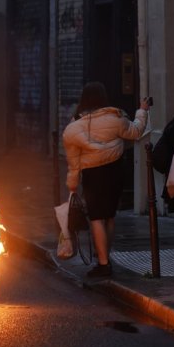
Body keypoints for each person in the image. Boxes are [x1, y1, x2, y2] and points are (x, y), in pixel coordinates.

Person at [63, 82, 150, 277]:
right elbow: (136, 131)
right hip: (114, 171)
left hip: (93, 175)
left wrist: (73, 185)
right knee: (109, 216)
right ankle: (105, 256)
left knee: (96, 217)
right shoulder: (115, 118)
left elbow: (74, 162)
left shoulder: (75, 125)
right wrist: (142, 111)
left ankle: (103, 263)